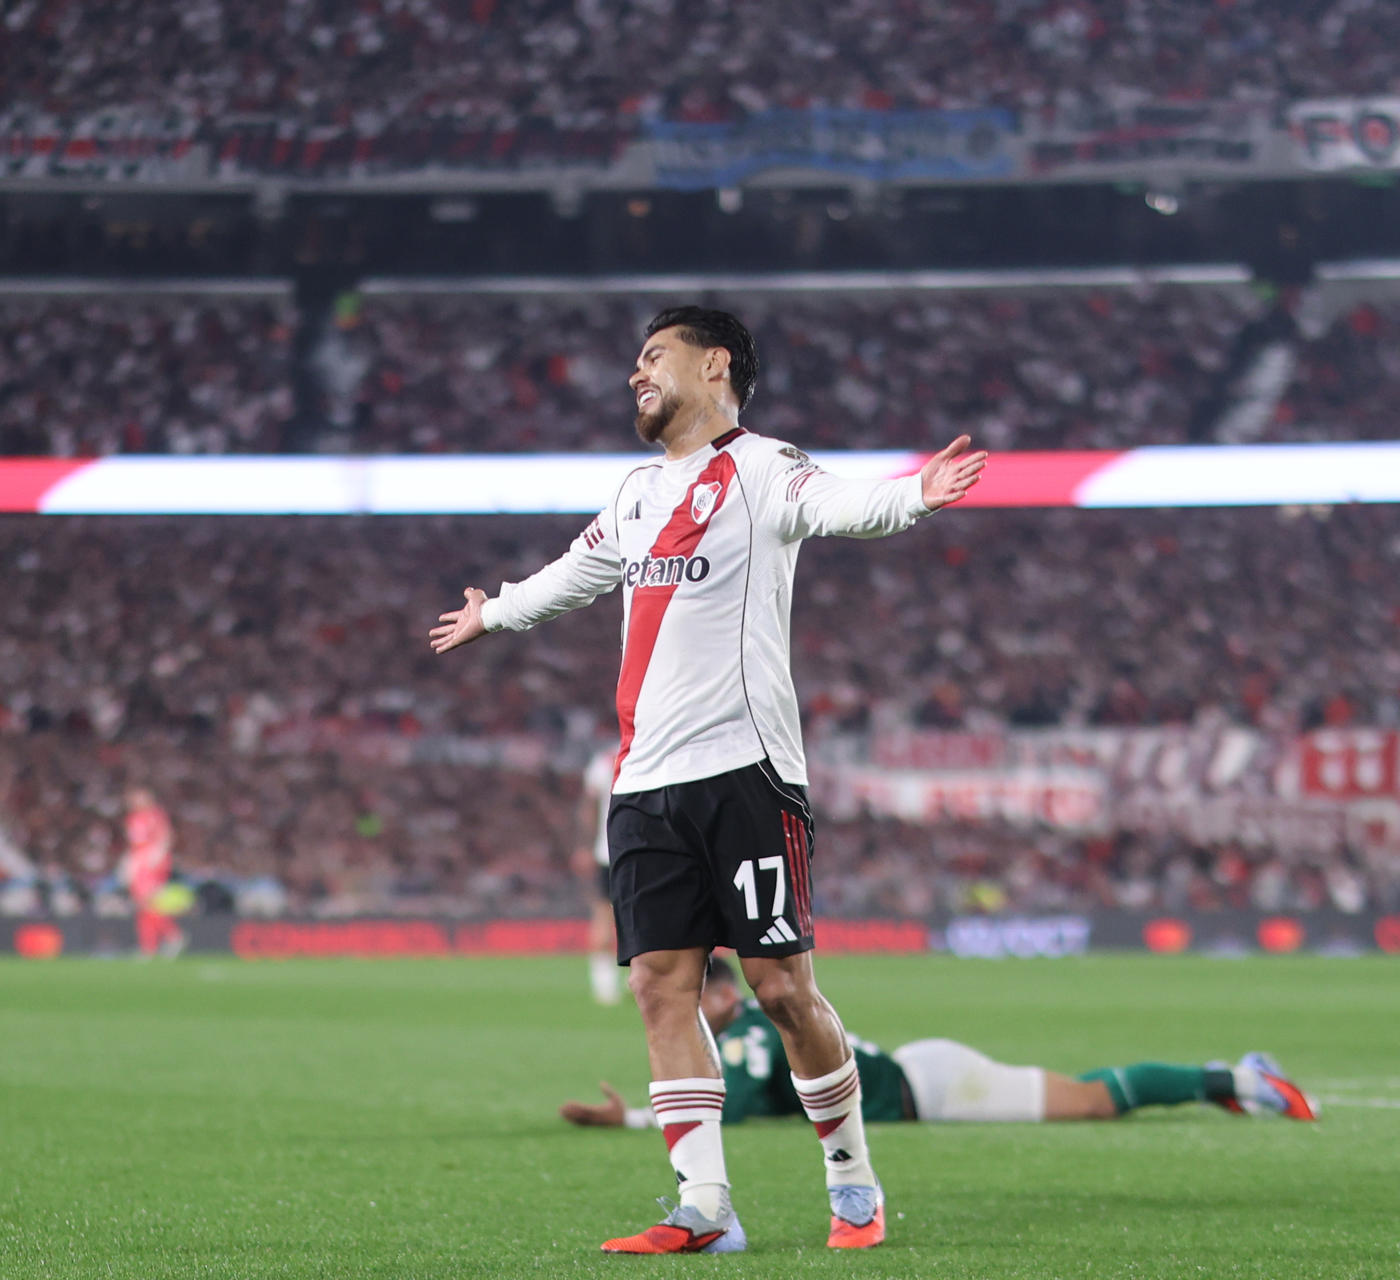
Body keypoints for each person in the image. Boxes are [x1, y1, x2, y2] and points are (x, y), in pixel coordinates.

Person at [429, 305, 988, 1254]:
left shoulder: (764, 468)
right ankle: (705, 1208)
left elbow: (844, 504)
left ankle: (852, 1180)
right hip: (644, 782)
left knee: (779, 989)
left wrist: (918, 492)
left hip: (747, 773)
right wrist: (502, 612)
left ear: (714, 362)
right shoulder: (640, 490)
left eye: (653, 356)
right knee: (658, 982)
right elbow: (580, 569)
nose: (635, 374)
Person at [560, 958, 1321, 1129]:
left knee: (1090, 1103)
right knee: (1086, 1095)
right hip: (921, 1073)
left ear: (723, 993)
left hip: (935, 1089)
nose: (697, 1008)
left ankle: (1235, 1076)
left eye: (703, 995)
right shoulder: (755, 1025)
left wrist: (633, 1120)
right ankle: (1227, 1078)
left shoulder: (750, 1032)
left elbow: (743, 1106)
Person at [578, 741, 621, 1006]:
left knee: (603, 916)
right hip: (644, 852)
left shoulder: (604, 760)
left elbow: (589, 807)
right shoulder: (652, 746)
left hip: (607, 851)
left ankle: (605, 987)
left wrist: (585, 845)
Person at [121, 787, 184, 958]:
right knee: (143, 906)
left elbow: (165, 836)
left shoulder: (155, 815)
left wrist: (157, 855)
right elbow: (134, 845)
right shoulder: (132, 818)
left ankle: (172, 936)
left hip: (152, 863)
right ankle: (150, 946)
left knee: (150, 902)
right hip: (139, 862)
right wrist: (130, 862)